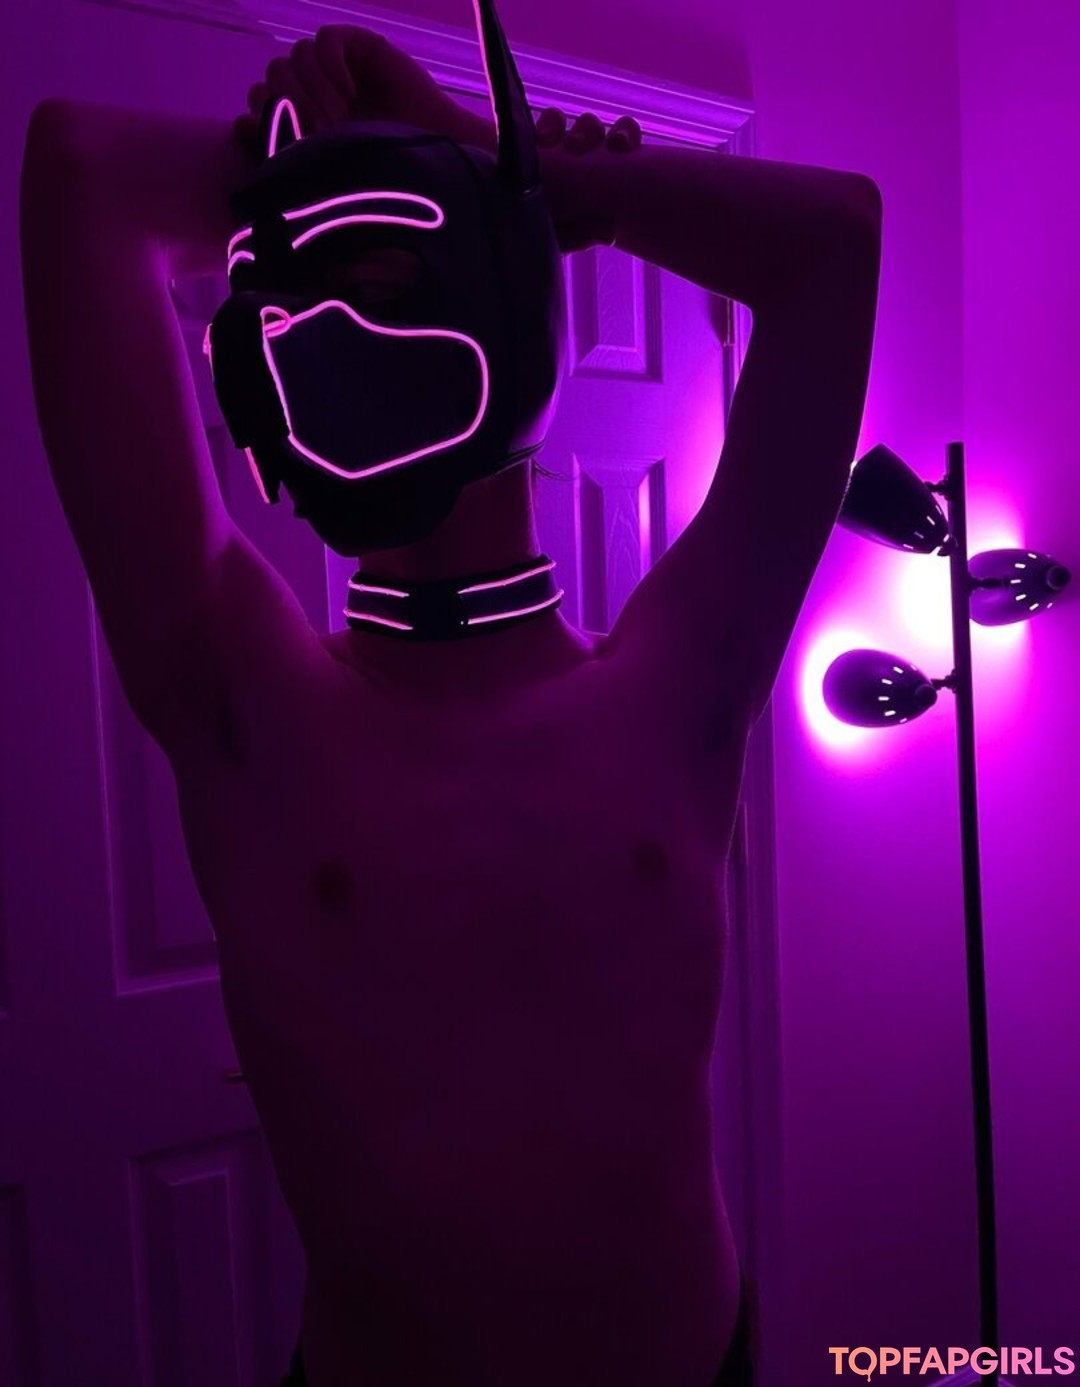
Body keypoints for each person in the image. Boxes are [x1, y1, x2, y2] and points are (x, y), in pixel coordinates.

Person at [19, 17, 881, 1386]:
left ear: (496, 292)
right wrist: (342, 166)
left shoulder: (676, 686)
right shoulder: (247, 708)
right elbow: (76, 172)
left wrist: (492, 158)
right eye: (294, 289)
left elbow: (836, 241)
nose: (327, 338)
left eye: (381, 271)